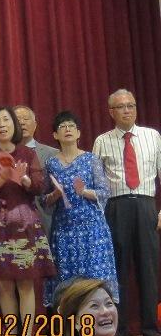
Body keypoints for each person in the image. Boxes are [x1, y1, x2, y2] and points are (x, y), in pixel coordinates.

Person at [0, 106, 55, 336]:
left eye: (6, 120)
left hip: (26, 226)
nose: (1, 125)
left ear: (14, 125)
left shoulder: (27, 153)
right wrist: (2, 177)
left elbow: (39, 187)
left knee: (26, 284)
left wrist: (22, 179)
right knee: (4, 286)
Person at [92, 88, 161, 336]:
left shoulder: (152, 136)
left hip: (145, 205)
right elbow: (97, 182)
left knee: (149, 270)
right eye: (120, 106)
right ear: (111, 111)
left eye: (131, 105)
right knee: (117, 271)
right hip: (116, 208)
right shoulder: (102, 140)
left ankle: (150, 330)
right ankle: (118, 331)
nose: (127, 110)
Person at [43, 111, 118, 309]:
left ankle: (99, 327)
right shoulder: (51, 163)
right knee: (68, 283)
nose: (67, 130)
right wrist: (55, 195)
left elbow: (104, 192)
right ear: (55, 136)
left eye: (71, 126)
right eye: (62, 127)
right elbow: (45, 200)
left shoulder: (91, 159)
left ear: (79, 133)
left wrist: (84, 191)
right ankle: (70, 332)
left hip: (92, 230)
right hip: (64, 230)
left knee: (95, 281)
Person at [14, 104, 60, 238]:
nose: (22, 123)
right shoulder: (4, 154)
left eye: (26, 119)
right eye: (18, 119)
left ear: (35, 125)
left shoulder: (52, 153)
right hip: (13, 219)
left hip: (44, 217)